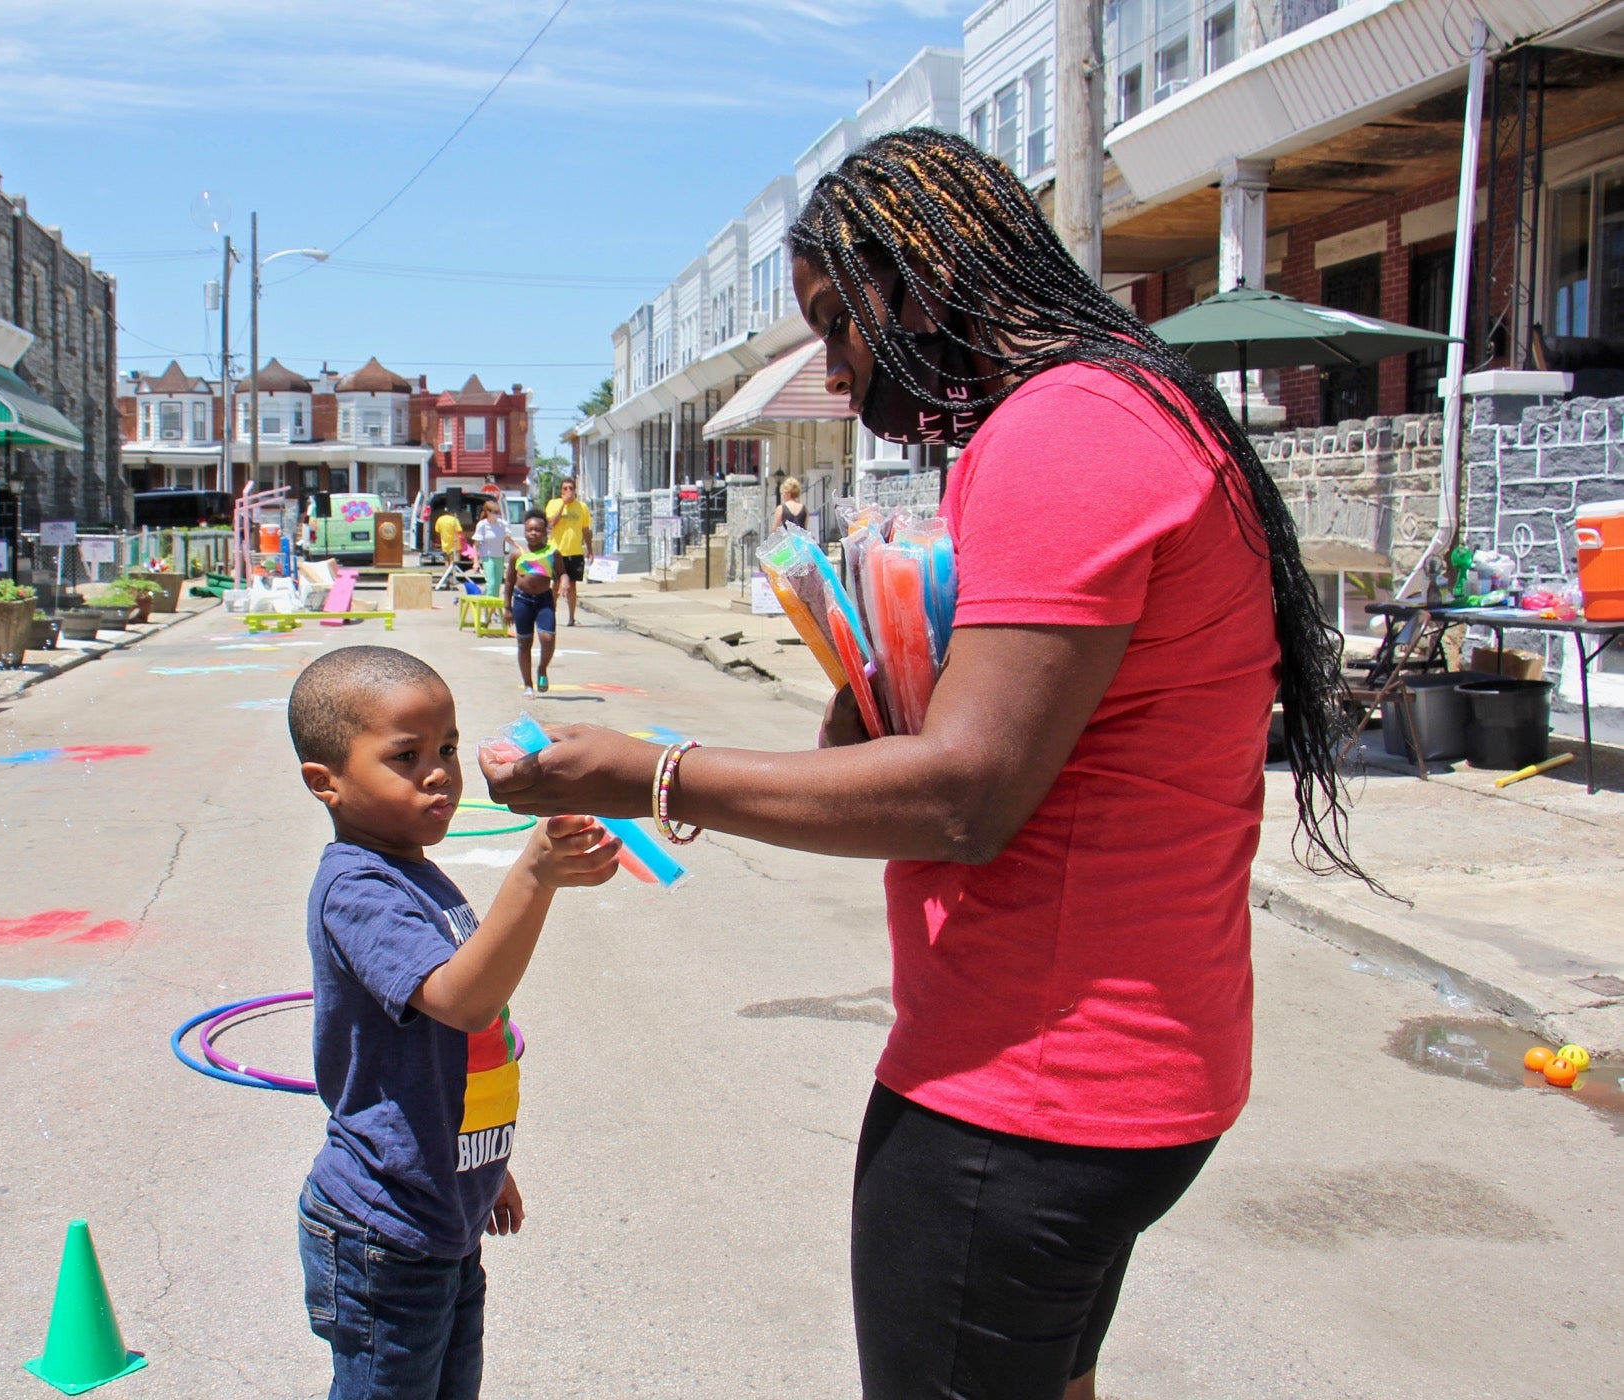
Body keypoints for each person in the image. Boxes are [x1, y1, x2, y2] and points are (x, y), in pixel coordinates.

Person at [483, 128, 1361, 1400]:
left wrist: (646, 773)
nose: (837, 372)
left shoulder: (1064, 428)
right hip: (1128, 1069)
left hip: (1030, 1089)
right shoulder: (1128, 403)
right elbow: (1057, 743)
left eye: (843, 321)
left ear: (933, 272)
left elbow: (964, 798)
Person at [288, 645, 619, 1400]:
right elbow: (465, 1003)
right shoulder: (358, 889)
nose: (438, 771)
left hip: (442, 1214)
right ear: (325, 783)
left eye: (445, 748)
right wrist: (535, 876)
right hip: (383, 1233)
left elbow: (462, 1050)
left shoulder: (415, 870)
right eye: (405, 756)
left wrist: (481, 1164)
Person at [505, 509, 557, 698]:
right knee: (524, 642)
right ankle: (528, 684)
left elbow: (561, 573)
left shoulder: (552, 552)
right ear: (524, 531)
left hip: (544, 600)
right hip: (522, 601)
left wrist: (564, 582)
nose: (533, 533)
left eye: (537, 530)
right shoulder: (517, 554)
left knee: (547, 638)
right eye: (529, 530)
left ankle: (542, 668)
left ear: (545, 532)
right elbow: (509, 581)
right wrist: (507, 607)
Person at [543, 480, 591, 625]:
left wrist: (590, 549)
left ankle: (571, 618)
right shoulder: (553, 503)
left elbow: (585, 530)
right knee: (556, 583)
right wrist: (563, 504)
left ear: (575, 490)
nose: (568, 490)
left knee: (572, 585)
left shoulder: (582, 507)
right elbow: (551, 523)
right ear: (561, 491)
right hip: (557, 551)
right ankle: (551, 614)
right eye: (565, 488)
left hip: (575, 551)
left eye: (571, 488)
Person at [473, 497, 510, 600]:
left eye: (498, 512)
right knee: (491, 584)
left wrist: (518, 547)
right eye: (494, 512)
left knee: (497, 586)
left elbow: (506, 537)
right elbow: (475, 545)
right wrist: (475, 561)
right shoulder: (482, 525)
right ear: (488, 512)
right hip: (488, 557)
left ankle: (493, 609)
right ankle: (486, 610)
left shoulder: (501, 524)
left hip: (499, 557)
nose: (497, 514)